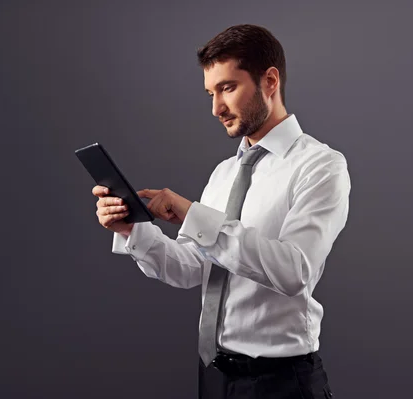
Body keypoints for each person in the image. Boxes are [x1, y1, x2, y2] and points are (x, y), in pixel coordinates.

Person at [91, 24, 349, 399]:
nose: (216, 108)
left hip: (281, 383)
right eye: (211, 93)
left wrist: (191, 215)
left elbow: (295, 271)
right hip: (214, 376)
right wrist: (134, 229)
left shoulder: (320, 166)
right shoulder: (225, 173)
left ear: (270, 81)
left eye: (228, 88)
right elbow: (192, 268)